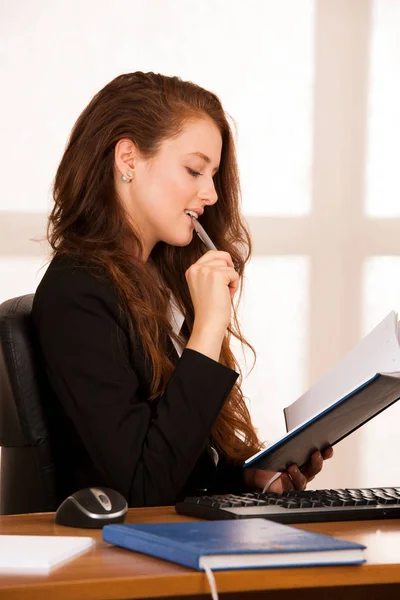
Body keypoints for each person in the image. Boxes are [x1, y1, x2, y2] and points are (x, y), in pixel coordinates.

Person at [32, 71, 332, 507]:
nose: (209, 193)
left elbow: (175, 454)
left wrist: (249, 475)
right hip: (128, 562)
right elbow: (144, 487)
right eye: (194, 170)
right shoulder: (77, 292)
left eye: (213, 175)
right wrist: (208, 328)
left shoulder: (157, 278)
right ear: (128, 159)